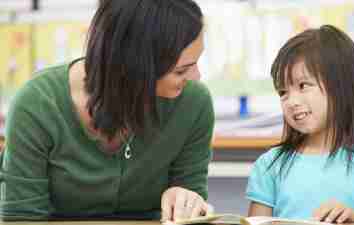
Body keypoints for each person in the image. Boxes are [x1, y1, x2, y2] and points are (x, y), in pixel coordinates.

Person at [0, 0, 214, 221]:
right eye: (181, 71)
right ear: (134, 66)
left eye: (195, 64)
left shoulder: (194, 104)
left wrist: (187, 202)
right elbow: (21, 219)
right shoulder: (37, 105)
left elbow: (193, 207)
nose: (196, 77)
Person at [246, 25, 354, 223]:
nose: (291, 101)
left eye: (303, 86)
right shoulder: (269, 166)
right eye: (283, 92)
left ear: (341, 85)